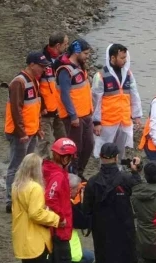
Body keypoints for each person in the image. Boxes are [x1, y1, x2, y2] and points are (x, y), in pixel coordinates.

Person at [82, 143, 142, 263]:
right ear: (116, 157)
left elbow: (86, 210)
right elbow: (140, 191)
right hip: (123, 230)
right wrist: (136, 171)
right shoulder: (125, 179)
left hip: (102, 231)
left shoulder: (93, 182)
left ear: (101, 157)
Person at [11, 153, 62, 263]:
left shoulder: (17, 185)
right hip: (34, 235)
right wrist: (55, 218)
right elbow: (36, 214)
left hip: (22, 233)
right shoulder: (35, 188)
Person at [4, 51, 50, 213]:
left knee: (28, 165)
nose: (43, 70)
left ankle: (23, 195)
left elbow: (33, 108)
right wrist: (22, 132)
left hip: (30, 131)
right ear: (31, 65)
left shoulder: (33, 81)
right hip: (20, 134)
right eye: (41, 66)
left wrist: (38, 129)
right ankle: (11, 200)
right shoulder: (19, 82)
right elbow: (16, 110)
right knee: (16, 166)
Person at [92, 43, 143, 161]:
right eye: (122, 58)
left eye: (125, 58)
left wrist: (137, 116)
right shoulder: (100, 76)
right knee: (104, 150)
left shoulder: (128, 75)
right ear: (112, 58)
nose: (124, 61)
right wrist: (96, 122)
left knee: (120, 150)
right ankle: (104, 169)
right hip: (107, 122)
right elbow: (95, 101)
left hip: (123, 120)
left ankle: (118, 169)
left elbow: (134, 95)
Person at [42, 138, 77, 263]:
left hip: (55, 228)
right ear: (65, 158)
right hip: (59, 229)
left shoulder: (51, 171)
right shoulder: (58, 175)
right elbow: (50, 196)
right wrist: (60, 218)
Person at [55, 38, 94, 180]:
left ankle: (79, 172)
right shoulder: (65, 71)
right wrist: (73, 116)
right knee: (75, 147)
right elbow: (65, 95)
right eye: (85, 53)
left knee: (89, 145)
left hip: (86, 114)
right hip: (75, 117)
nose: (87, 56)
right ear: (77, 52)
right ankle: (72, 174)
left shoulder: (79, 67)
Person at [38, 32, 69, 156]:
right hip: (45, 111)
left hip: (57, 108)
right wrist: (42, 107)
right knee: (44, 143)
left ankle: (61, 167)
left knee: (63, 140)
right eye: (65, 44)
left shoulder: (61, 59)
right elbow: (35, 86)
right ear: (58, 45)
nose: (67, 47)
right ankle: (40, 171)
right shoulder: (40, 61)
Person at [67, 173, 94, 263]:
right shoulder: (67, 205)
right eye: (77, 189)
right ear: (70, 189)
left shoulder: (54, 198)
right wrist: (82, 202)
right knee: (89, 257)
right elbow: (83, 223)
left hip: (45, 249)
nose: (78, 191)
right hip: (61, 251)